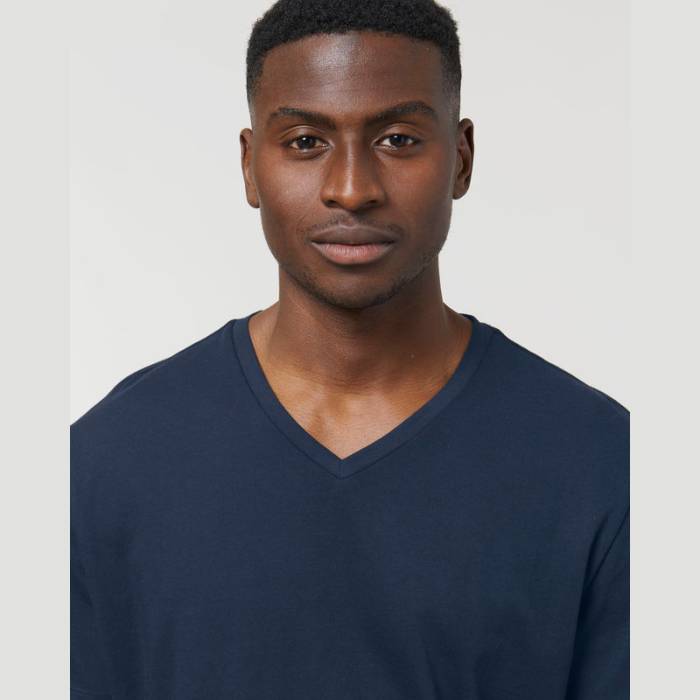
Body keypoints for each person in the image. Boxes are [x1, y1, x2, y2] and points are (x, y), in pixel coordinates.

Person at [70, 1, 630, 698]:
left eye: (397, 139)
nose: (352, 189)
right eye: (306, 141)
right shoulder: (108, 463)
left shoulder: (602, 465)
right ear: (250, 166)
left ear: (461, 159)